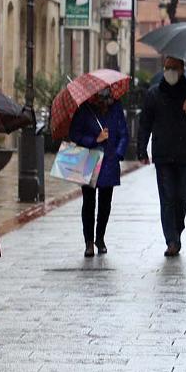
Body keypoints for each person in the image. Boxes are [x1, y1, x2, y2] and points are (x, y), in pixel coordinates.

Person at [137, 56, 186, 257]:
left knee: (182, 197)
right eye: (167, 67)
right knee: (167, 198)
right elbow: (145, 123)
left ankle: (177, 228)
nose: (169, 71)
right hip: (162, 154)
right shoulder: (154, 94)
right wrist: (141, 149)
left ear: (182, 69)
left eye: (174, 68)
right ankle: (171, 239)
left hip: (185, 154)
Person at [68, 88, 129, 257]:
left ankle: (100, 238)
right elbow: (75, 134)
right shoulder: (85, 108)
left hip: (109, 161)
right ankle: (88, 241)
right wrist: (95, 140)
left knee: (105, 204)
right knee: (88, 202)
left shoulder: (116, 107)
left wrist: (118, 153)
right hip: (89, 159)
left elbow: (124, 133)